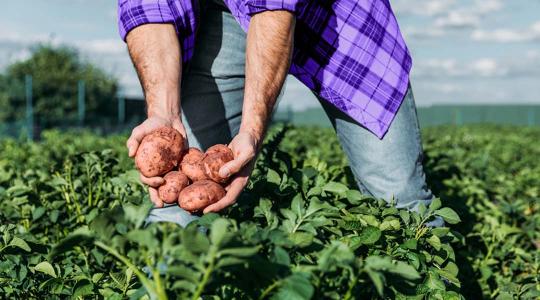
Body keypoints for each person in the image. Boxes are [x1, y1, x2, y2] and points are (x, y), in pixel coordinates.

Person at [118, 0, 444, 227]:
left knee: (399, 197)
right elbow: (147, 7)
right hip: (226, 12)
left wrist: (252, 130)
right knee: (180, 199)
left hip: (338, 17)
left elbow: (273, 9)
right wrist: (163, 112)